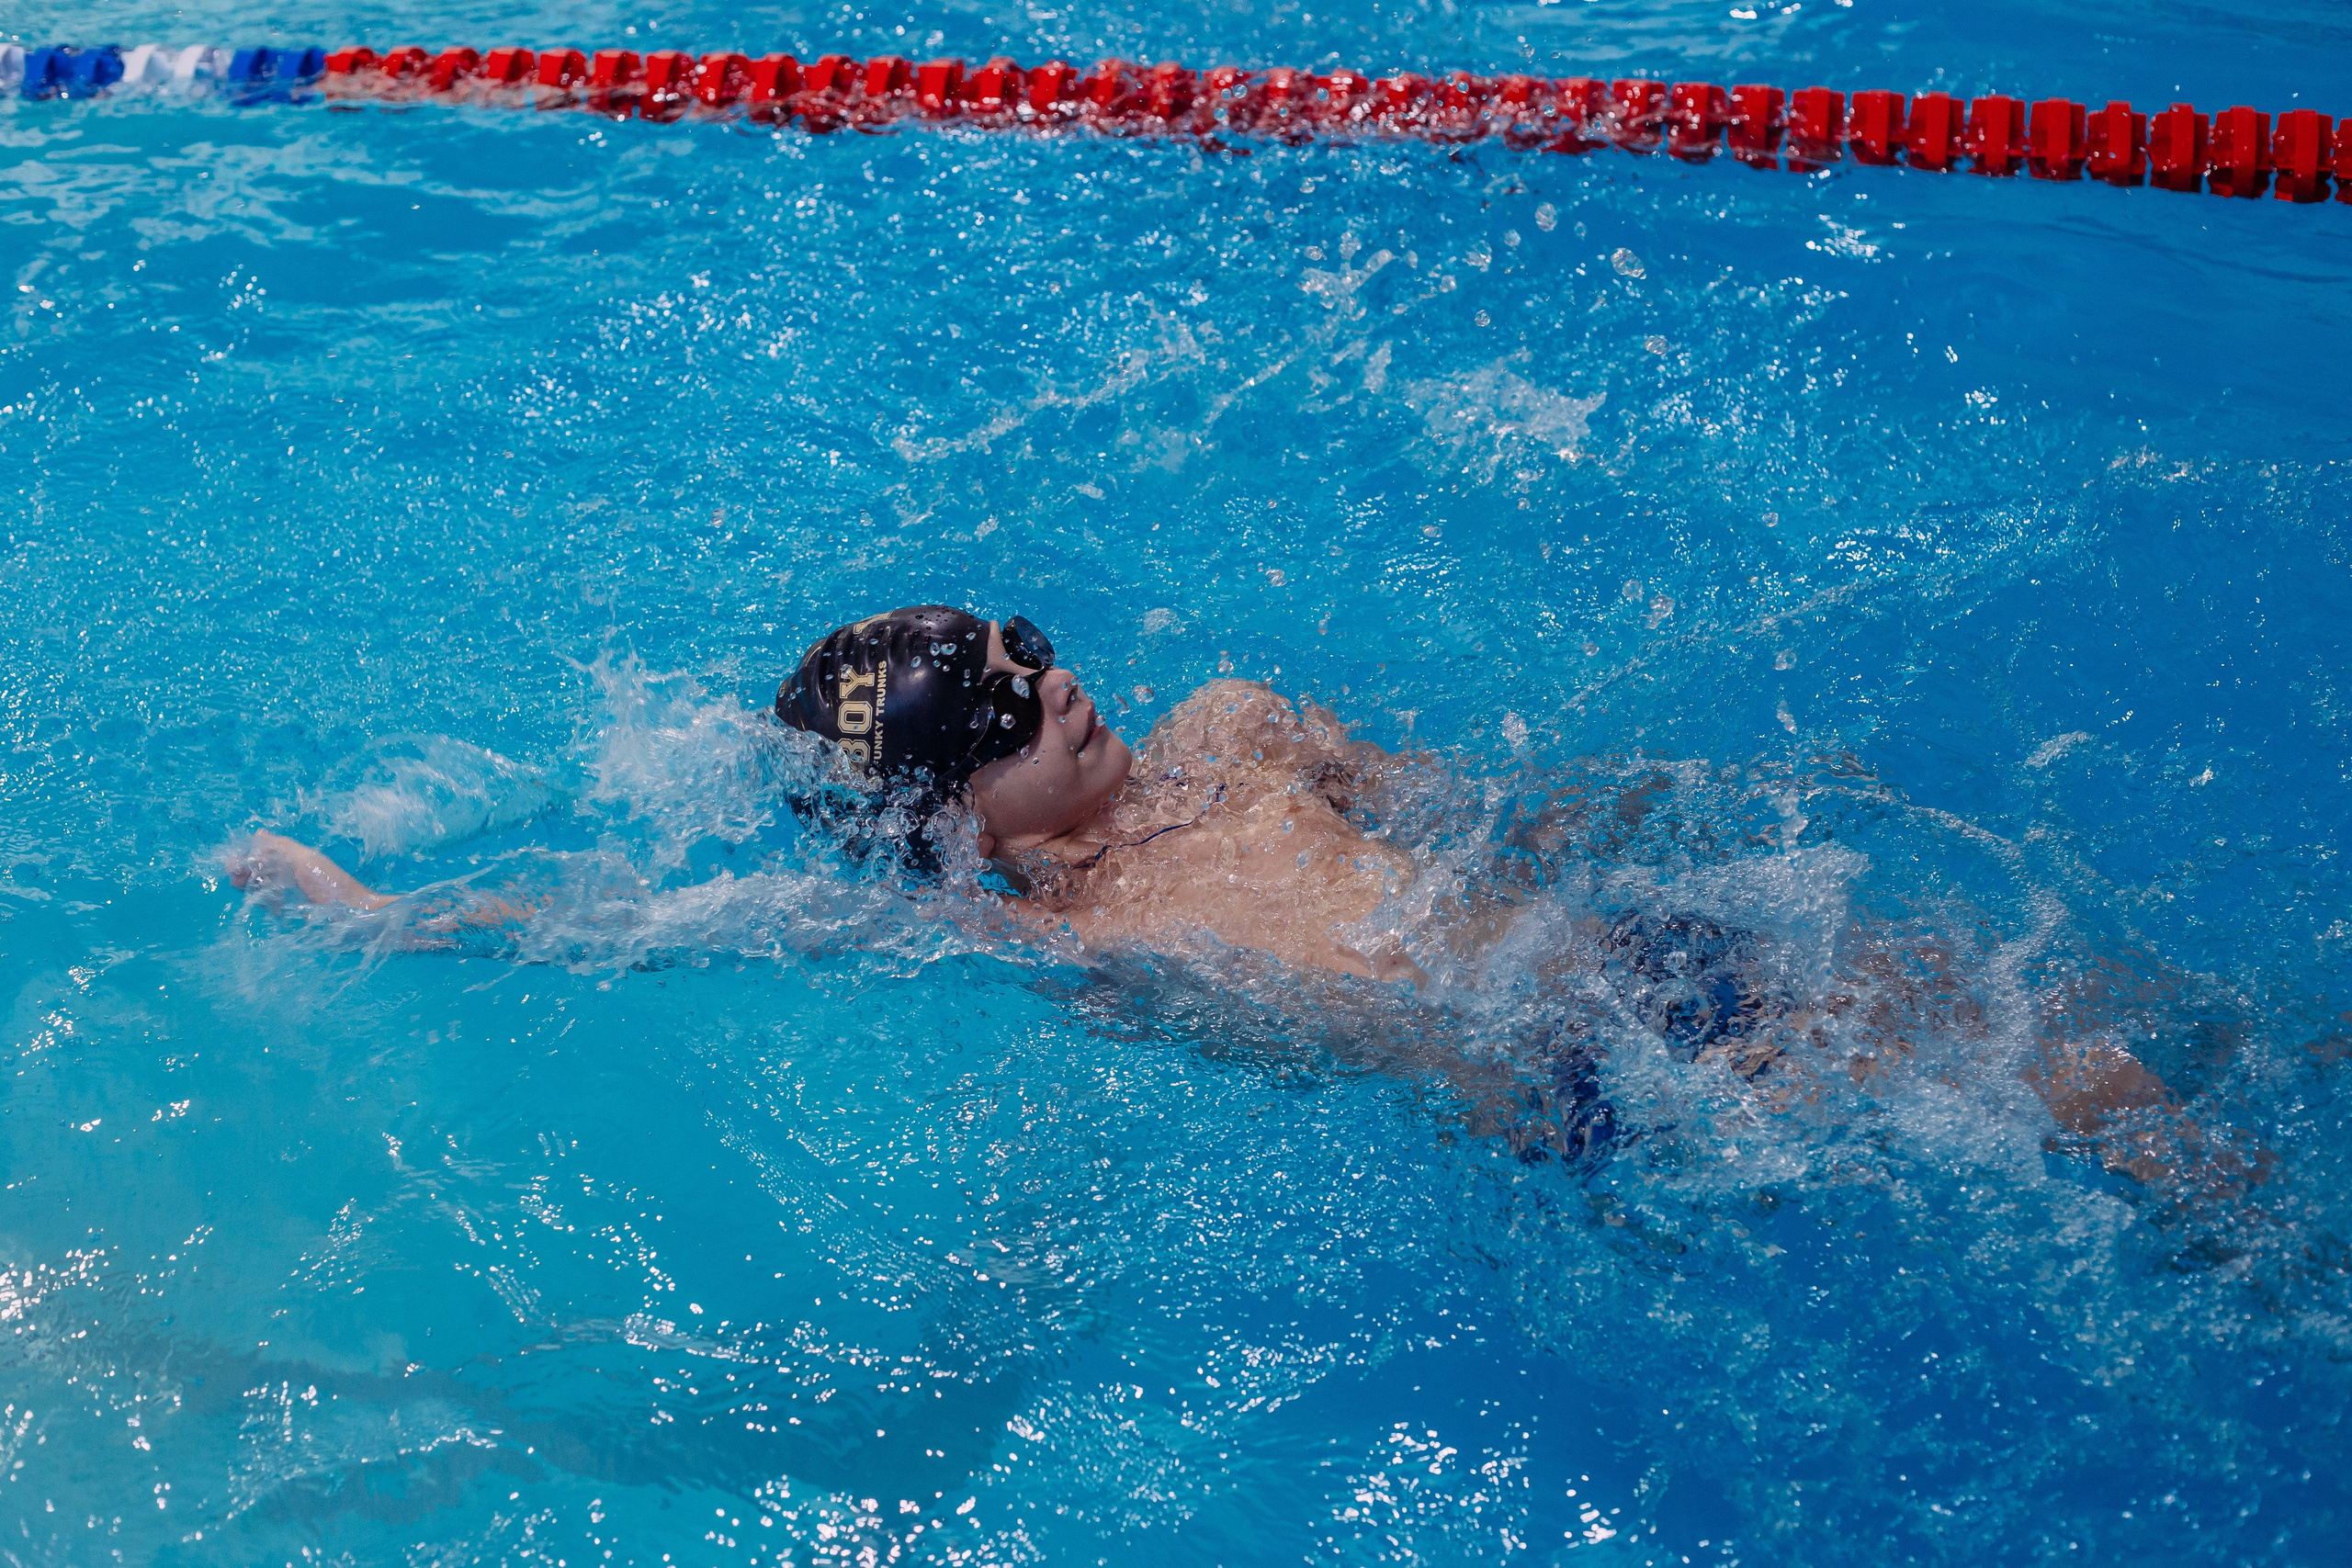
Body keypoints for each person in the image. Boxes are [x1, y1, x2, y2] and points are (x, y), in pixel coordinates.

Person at [228, 604, 2233, 1187]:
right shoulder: (1030, 930)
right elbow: (660, 924)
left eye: (1021, 645)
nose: (1047, 684)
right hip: (1552, 1077)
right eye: (997, 710)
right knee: (2080, 1097)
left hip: (1617, 965)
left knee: (2128, 1032)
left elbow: (1509, 821)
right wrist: (385, 916)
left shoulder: (1237, 726)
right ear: (962, 823)